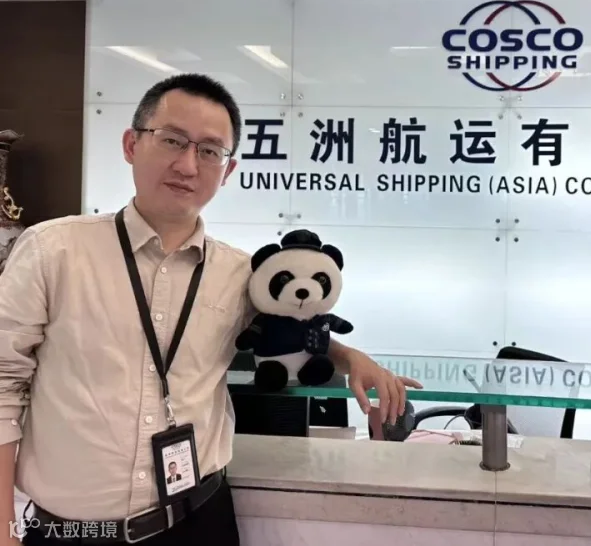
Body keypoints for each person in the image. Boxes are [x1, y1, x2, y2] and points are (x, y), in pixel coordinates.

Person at [0, 73, 421, 545]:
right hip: (70, 532)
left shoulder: (241, 274)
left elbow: (287, 332)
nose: (187, 164)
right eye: (172, 140)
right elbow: (2, 383)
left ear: (228, 169)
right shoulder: (53, 251)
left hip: (200, 520)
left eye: (209, 151)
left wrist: (350, 357)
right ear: (131, 144)